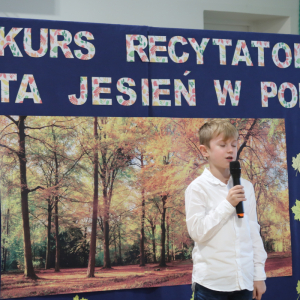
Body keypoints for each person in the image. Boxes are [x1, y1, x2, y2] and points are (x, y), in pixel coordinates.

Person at [185, 119, 267, 300]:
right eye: (222, 145)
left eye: (233, 144)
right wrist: (228, 204)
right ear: (204, 151)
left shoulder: (246, 186)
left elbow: (253, 231)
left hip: (244, 282)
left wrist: (258, 274)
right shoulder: (197, 188)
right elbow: (197, 232)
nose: (230, 150)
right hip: (211, 285)